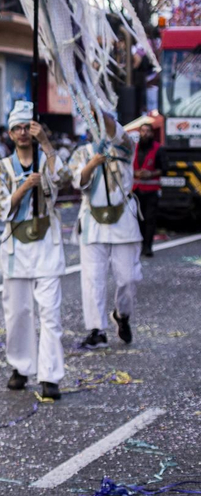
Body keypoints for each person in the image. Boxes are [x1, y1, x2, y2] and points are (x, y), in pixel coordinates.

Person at [0, 102, 70, 400]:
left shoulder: (45, 160)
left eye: (27, 127)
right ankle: (21, 367)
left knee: (50, 313)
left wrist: (46, 143)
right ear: (9, 133)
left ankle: (50, 376)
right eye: (17, 128)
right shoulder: (0, 168)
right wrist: (22, 189)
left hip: (46, 242)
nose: (23, 133)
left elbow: (65, 178)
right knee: (18, 312)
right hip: (16, 247)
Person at [69, 115, 142, 349]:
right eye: (95, 123)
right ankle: (96, 330)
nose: (99, 128)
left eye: (103, 122)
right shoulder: (81, 153)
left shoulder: (125, 146)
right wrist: (91, 164)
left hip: (123, 221)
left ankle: (122, 315)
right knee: (93, 279)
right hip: (93, 220)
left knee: (128, 278)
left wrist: (95, 103)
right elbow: (78, 182)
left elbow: (115, 130)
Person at [130, 116, 161, 258]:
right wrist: (135, 172)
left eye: (147, 131)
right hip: (136, 191)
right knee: (137, 220)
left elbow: (164, 169)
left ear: (152, 133)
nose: (145, 134)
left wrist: (151, 173)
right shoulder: (133, 149)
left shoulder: (158, 149)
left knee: (149, 219)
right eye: (142, 131)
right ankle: (139, 244)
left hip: (151, 191)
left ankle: (147, 247)